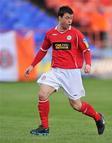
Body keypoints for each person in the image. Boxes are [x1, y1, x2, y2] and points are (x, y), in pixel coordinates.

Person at [24, 6, 105, 136]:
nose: (69, 21)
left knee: (76, 105)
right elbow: (43, 51)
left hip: (71, 73)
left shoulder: (76, 34)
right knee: (42, 94)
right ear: (60, 17)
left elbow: (86, 50)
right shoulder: (51, 34)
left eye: (71, 18)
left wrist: (88, 64)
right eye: (67, 18)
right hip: (55, 72)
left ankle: (98, 117)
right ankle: (44, 128)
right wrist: (32, 65)